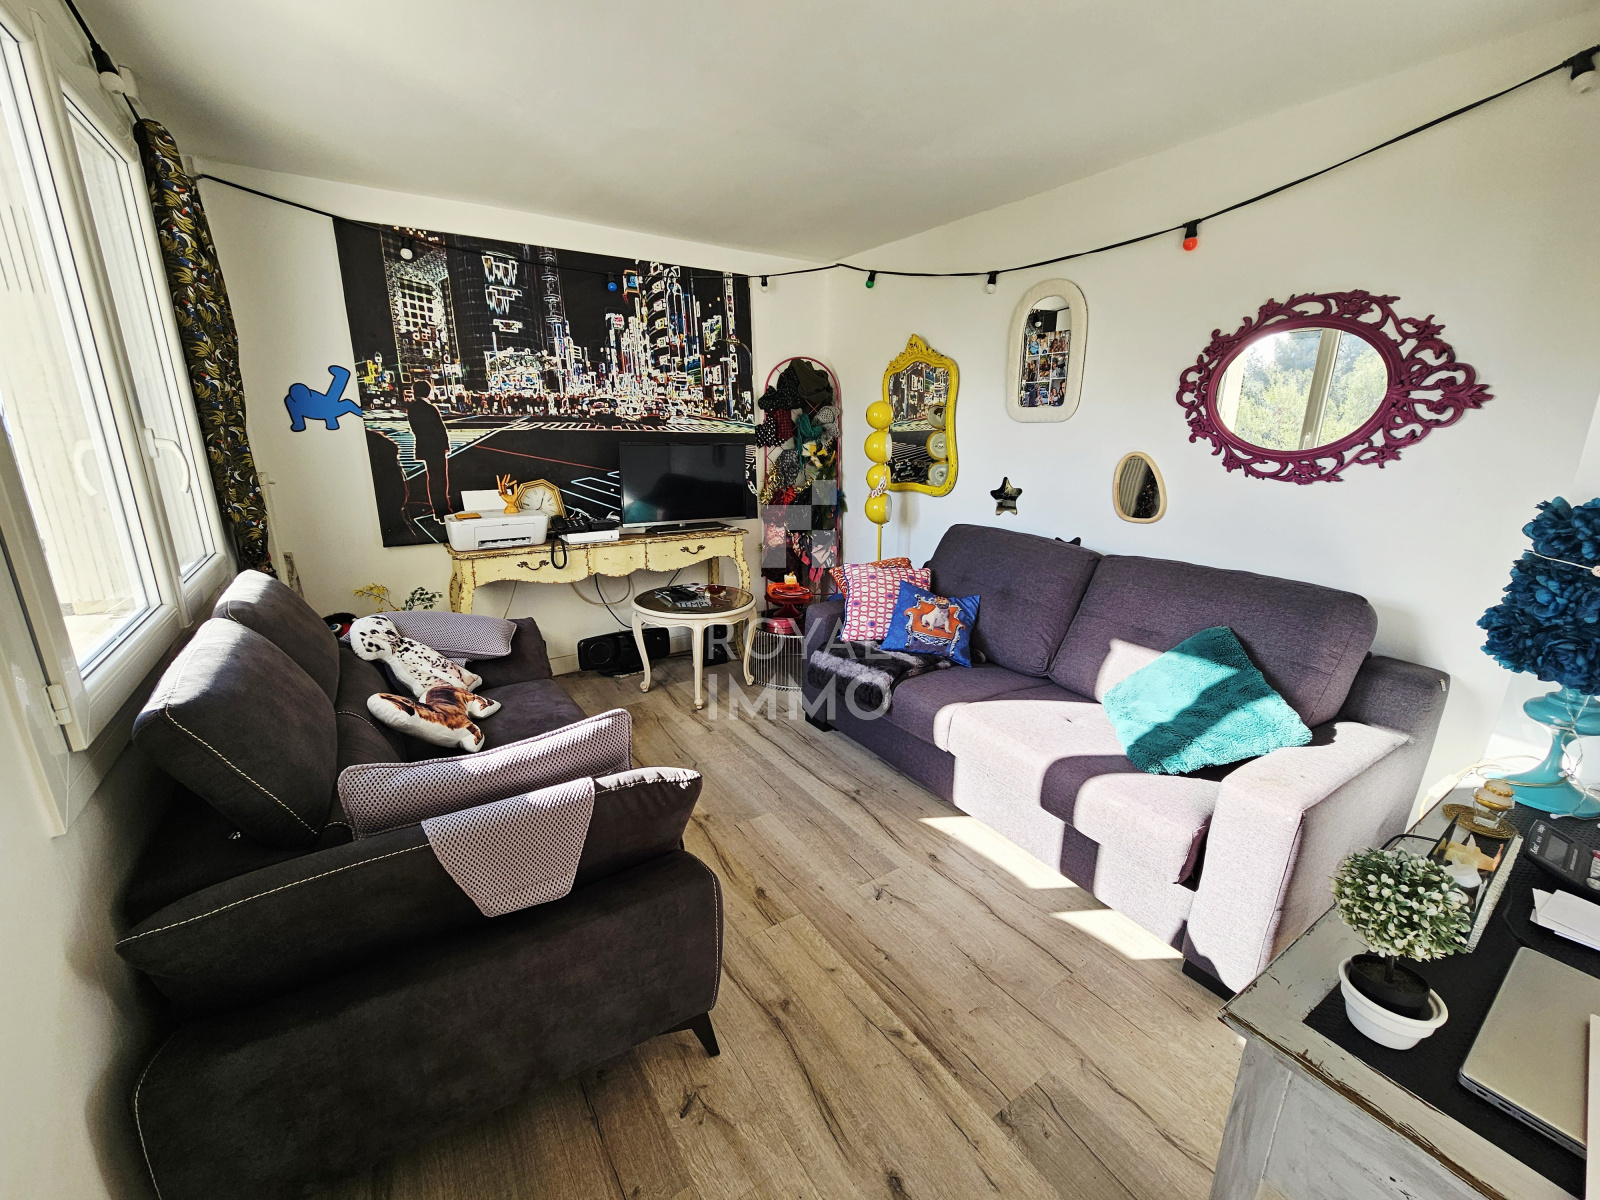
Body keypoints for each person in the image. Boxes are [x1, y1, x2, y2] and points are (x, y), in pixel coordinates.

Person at [403, 379, 451, 517]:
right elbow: (440, 428)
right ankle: (442, 509)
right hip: (436, 447)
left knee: (432, 478)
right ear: (428, 392)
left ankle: (437, 510)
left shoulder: (412, 408)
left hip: (424, 446)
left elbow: (415, 428)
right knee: (440, 479)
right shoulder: (430, 408)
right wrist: (445, 445)